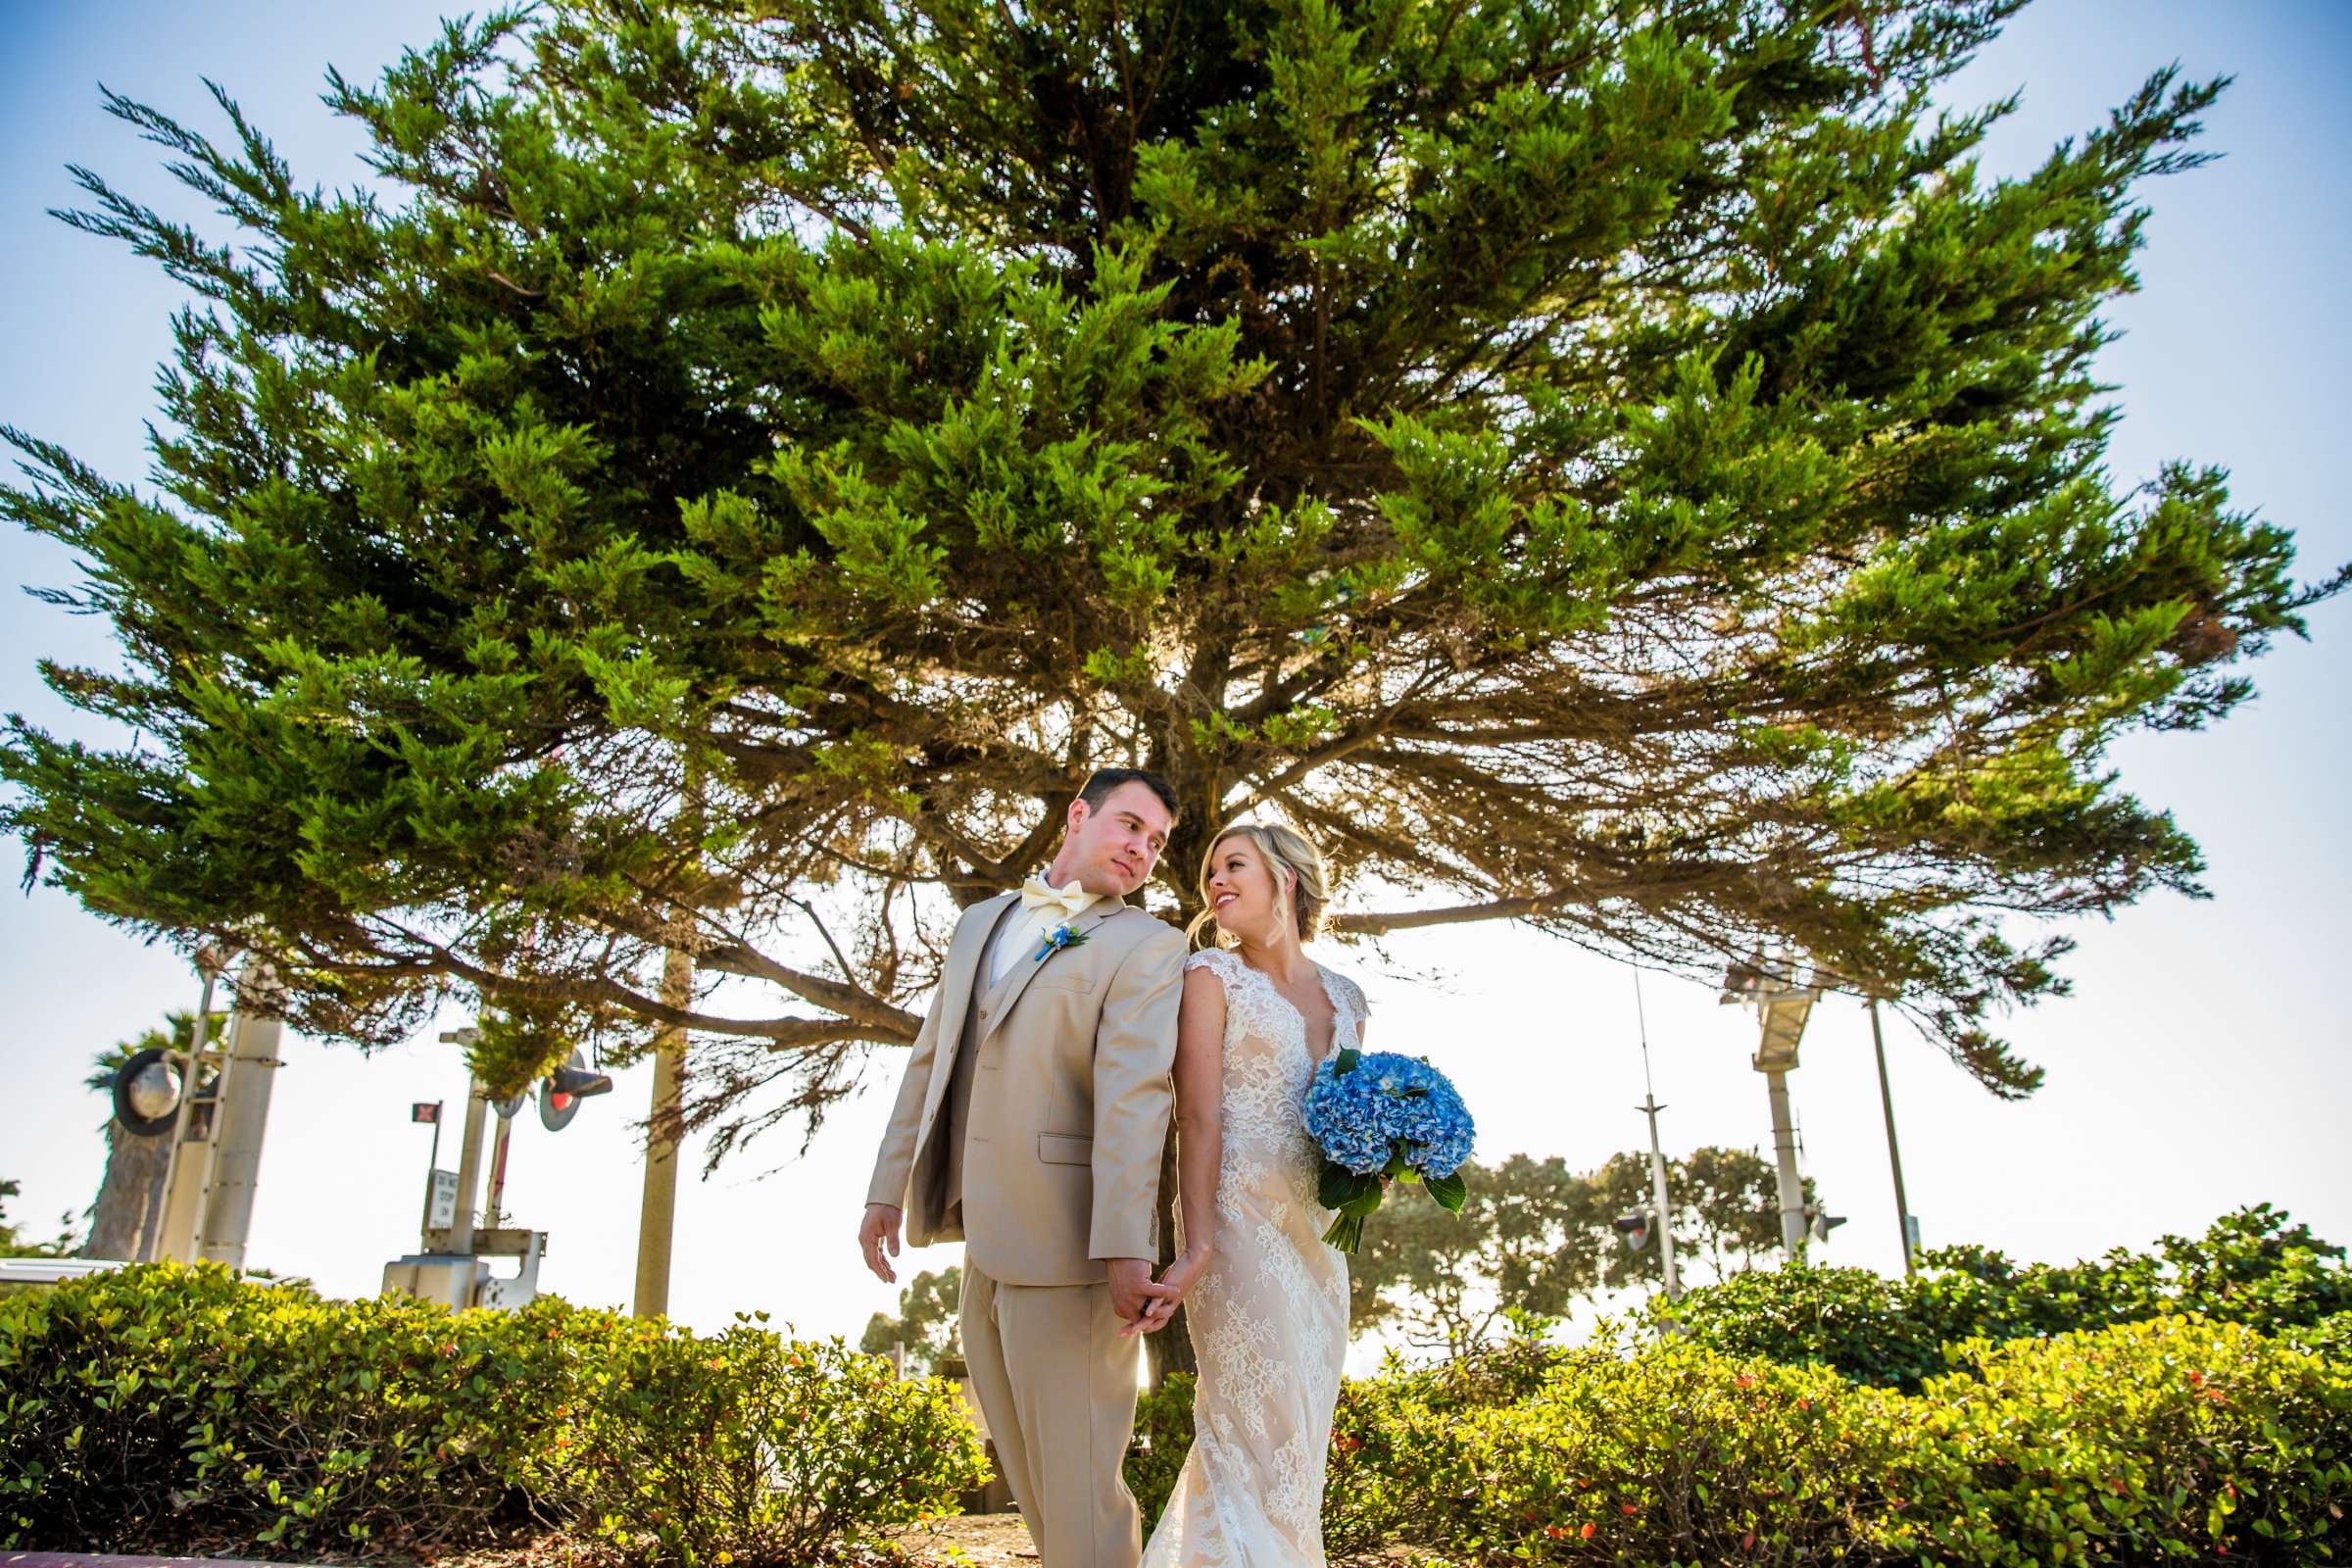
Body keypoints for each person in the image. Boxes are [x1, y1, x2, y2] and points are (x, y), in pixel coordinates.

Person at [858, 766, 1188, 1568]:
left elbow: (1135, 1101)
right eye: (1131, 826)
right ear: (1079, 815)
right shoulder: (979, 923)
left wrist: (1125, 1248)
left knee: (1082, 1501)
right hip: (982, 1243)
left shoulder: (1147, 945)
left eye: (1157, 842)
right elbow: (931, 1061)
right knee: (1040, 1500)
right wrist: (886, 1191)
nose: (1142, 850)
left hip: (1077, 1253)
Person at [1132, 819, 1363, 1568]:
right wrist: (1196, 1246)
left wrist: (1390, 1151)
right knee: (1251, 1438)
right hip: (1237, 1231)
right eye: (1209, 874)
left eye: (1233, 866)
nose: (1215, 883)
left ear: (1284, 880)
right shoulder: (1210, 976)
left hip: (1319, 1242)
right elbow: (1195, 1116)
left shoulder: (1349, 995)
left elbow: (1356, 1118)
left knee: (1298, 1447)